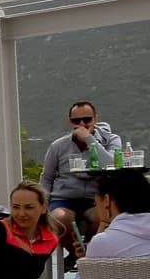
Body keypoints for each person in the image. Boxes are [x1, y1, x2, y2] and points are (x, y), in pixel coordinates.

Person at [41, 100, 125, 256]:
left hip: (95, 198)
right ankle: (78, 257)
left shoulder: (111, 140)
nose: (82, 124)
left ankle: (90, 256)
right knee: (59, 220)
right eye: (76, 120)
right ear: (69, 122)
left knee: (102, 219)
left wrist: (90, 140)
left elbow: (111, 166)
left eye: (87, 119)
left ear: (96, 119)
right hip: (64, 198)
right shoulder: (58, 146)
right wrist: (44, 202)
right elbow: (47, 177)